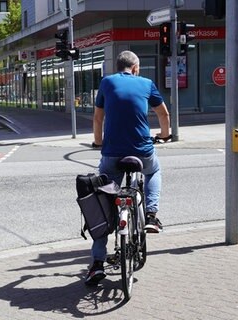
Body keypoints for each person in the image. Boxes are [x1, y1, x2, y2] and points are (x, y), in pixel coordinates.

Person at [86, 51, 171, 286]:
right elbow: (163, 113)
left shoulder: (106, 82)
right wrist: (165, 135)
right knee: (153, 171)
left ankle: (97, 264)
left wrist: (98, 143)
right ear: (135, 67)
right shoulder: (146, 83)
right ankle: (152, 216)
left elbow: (97, 119)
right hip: (142, 152)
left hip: (112, 153)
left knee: (103, 205)